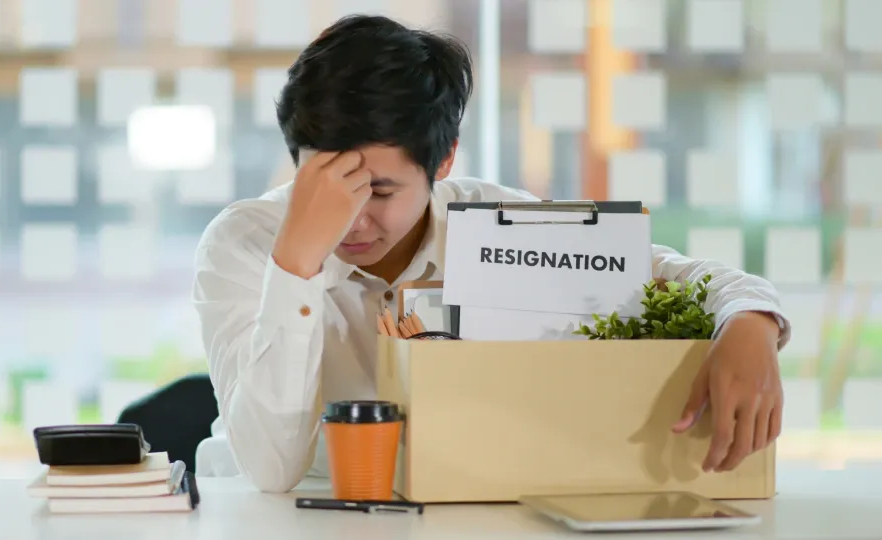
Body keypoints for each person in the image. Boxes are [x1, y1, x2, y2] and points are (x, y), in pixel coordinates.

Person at [191, 14, 791, 492]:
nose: (353, 216)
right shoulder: (243, 242)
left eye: (379, 190)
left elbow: (672, 272)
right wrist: (297, 262)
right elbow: (271, 471)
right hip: (282, 514)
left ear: (444, 160)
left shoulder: (495, 223)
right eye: (324, 186)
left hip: (463, 504)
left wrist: (750, 320)